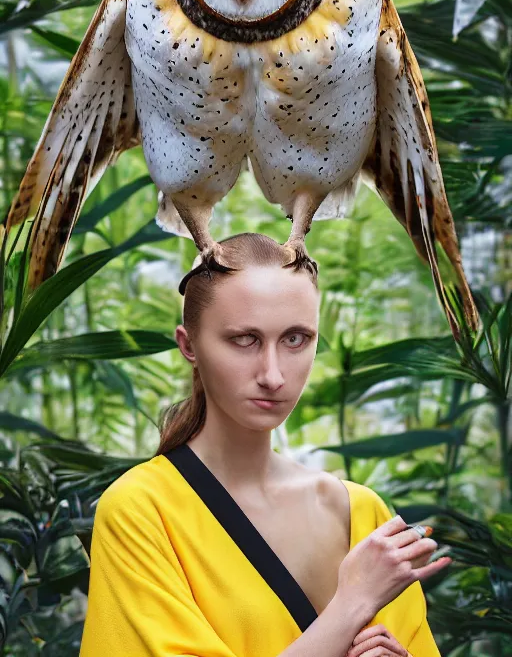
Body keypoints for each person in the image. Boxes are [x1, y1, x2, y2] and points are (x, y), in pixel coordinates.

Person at [79, 232, 451, 657]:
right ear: (189, 345)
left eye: (295, 339)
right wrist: (351, 604)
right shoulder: (140, 510)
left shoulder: (362, 514)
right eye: (244, 339)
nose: (273, 375)